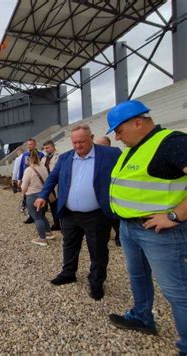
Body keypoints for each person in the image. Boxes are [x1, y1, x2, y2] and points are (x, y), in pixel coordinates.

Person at [104, 100, 187, 355]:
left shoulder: (171, 142)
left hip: (161, 232)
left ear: (138, 122)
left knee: (177, 291)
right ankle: (142, 317)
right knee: (138, 277)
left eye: (119, 130)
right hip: (131, 229)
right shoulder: (136, 147)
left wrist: (174, 216)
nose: (117, 137)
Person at [34, 124, 121, 300]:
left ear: (92, 137)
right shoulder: (66, 157)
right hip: (70, 213)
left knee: (97, 250)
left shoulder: (110, 154)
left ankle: (96, 281)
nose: (78, 146)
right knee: (69, 245)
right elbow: (53, 178)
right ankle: (68, 273)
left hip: (96, 214)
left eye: (81, 141)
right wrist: (43, 195)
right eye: (74, 142)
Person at [21, 150, 55, 246]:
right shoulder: (43, 167)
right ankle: (49, 232)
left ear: (28, 159)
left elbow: (24, 186)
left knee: (37, 217)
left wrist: (23, 194)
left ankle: (42, 238)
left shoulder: (28, 170)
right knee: (41, 215)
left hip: (32, 195)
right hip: (44, 195)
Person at [95, 136, 121, 246]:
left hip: (113, 192)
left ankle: (119, 237)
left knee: (115, 218)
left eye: (102, 144)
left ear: (108, 144)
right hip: (100, 192)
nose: (99, 147)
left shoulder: (115, 155)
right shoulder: (95, 157)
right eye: (97, 144)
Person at [40, 140, 61, 231]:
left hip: (56, 183)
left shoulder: (59, 156)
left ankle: (60, 223)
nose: (46, 150)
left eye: (47, 147)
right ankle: (54, 223)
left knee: (57, 204)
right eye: (44, 148)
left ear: (53, 147)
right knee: (51, 204)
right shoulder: (44, 158)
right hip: (48, 184)